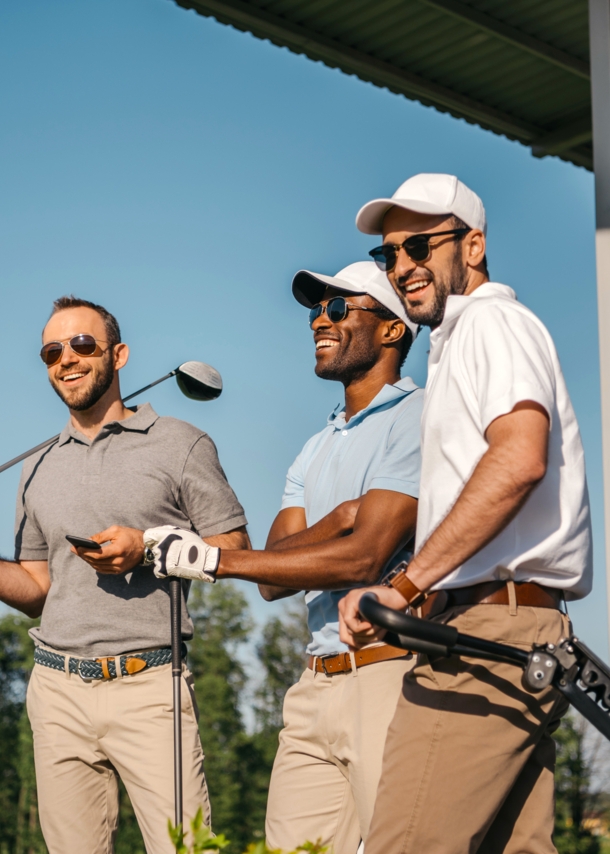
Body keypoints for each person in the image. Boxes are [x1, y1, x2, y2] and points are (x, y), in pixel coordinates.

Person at [124, 261, 423, 853]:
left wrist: (211, 559)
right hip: (315, 684)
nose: (319, 320)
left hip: (394, 675)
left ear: (392, 331)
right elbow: (274, 575)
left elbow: (363, 560)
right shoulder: (315, 446)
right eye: (316, 309)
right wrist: (338, 519)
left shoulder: (419, 417)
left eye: (339, 308)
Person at [338, 173, 593, 854]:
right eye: (389, 256)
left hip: (487, 634)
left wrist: (403, 586)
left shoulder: (491, 322)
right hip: (514, 630)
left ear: (473, 245)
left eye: (419, 246)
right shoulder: (462, 338)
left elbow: (518, 462)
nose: (403, 268)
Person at [5, 296, 249, 854]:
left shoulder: (182, 443)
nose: (66, 358)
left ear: (119, 354)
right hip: (56, 689)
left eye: (82, 344)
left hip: (149, 686)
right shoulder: (35, 466)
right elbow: (37, 590)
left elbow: (233, 548)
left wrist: (150, 547)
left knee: (186, 849)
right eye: (51, 351)